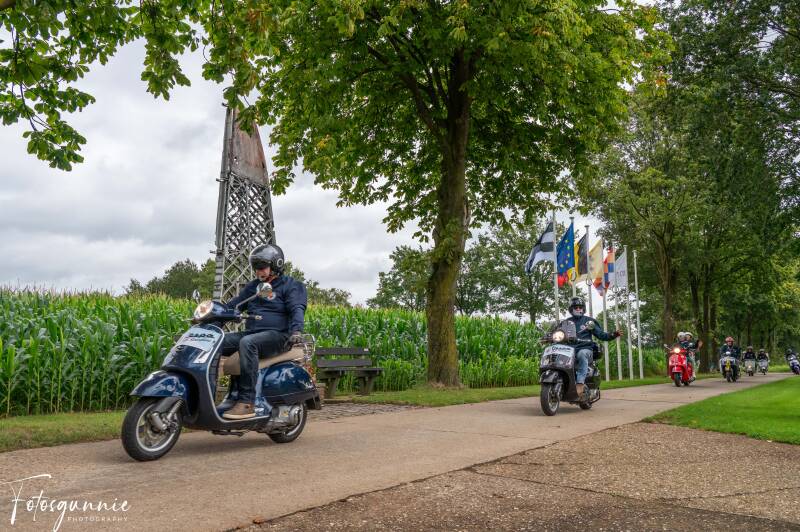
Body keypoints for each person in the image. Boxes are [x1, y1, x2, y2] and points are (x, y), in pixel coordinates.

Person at [220, 244, 308, 419]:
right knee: (216, 341)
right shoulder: (254, 287)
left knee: (248, 343)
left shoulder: (291, 285)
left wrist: (296, 331)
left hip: (278, 336)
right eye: (256, 268)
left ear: (277, 264)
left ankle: (246, 402)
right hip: (253, 333)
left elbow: (296, 309)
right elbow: (233, 305)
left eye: (262, 267)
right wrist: (213, 315)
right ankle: (213, 396)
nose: (258, 271)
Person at [563, 296, 622, 398]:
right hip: (570, 350)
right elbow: (557, 333)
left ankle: (580, 383)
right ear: (571, 309)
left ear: (583, 308)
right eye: (575, 307)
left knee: (581, 354)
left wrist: (613, 334)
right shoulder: (566, 322)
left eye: (580, 307)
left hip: (585, 349)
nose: (578, 309)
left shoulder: (588, 321)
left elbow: (601, 335)